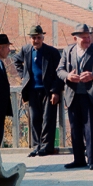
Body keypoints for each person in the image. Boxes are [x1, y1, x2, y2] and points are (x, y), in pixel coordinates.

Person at [57, 23, 93, 170]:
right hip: (73, 96)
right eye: (83, 38)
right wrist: (68, 76)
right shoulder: (67, 51)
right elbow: (59, 70)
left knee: (91, 129)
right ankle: (78, 159)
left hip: (91, 96)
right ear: (75, 38)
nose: (87, 40)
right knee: (75, 129)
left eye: (88, 37)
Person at [13, 25, 63, 157]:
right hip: (32, 90)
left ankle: (46, 147)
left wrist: (55, 91)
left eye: (39, 38)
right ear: (30, 39)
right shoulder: (26, 50)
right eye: (34, 38)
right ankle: (36, 146)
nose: (36, 40)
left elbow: (60, 73)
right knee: (34, 119)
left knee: (48, 119)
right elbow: (16, 61)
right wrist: (24, 76)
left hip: (48, 91)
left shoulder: (51, 52)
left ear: (43, 38)